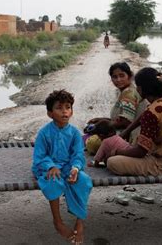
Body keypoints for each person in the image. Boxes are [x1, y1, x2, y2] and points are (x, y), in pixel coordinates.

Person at [106, 67, 162, 176]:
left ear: (140, 89)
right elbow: (145, 113)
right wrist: (126, 131)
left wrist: (116, 152)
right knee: (138, 141)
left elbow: (140, 152)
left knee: (112, 162)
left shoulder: (152, 112)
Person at [32, 90, 93, 244]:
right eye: (59, 108)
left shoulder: (74, 133)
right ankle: (58, 222)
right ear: (50, 113)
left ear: (71, 111)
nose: (65, 111)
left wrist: (75, 168)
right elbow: (39, 156)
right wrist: (50, 166)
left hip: (68, 166)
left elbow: (78, 154)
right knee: (53, 181)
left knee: (84, 181)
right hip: (46, 167)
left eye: (68, 107)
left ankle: (79, 222)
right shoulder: (44, 133)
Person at [85, 62, 145, 154]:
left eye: (122, 75)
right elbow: (122, 118)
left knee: (92, 143)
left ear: (130, 76)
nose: (118, 80)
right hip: (128, 133)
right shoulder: (127, 91)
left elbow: (126, 122)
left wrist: (102, 124)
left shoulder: (129, 93)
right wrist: (101, 119)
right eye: (114, 77)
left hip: (130, 137)